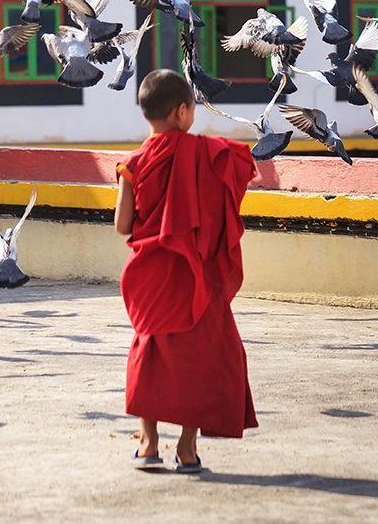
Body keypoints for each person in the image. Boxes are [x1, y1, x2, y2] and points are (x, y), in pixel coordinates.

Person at [114, 69, 258, 472]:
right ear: (181, 112)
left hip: (152, 275)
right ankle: (188, 449)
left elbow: (124, 226)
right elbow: (241, 171)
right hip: (197, 273)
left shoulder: (133, 164)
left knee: (152, 351)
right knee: (204, 354)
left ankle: (148, 443)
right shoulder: (207, 153)